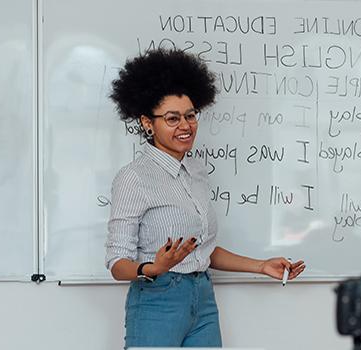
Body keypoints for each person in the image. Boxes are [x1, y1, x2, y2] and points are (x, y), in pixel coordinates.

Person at [105, 48, 306, 348]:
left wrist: (261, 265)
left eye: (190, 115)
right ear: (148, 123)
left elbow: (202, 252)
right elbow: (116, 263)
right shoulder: (134, 177)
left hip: (203, 299)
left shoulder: (195, 171)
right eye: (172, 118)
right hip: (157, 303)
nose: (185, 126)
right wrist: (154, 268)